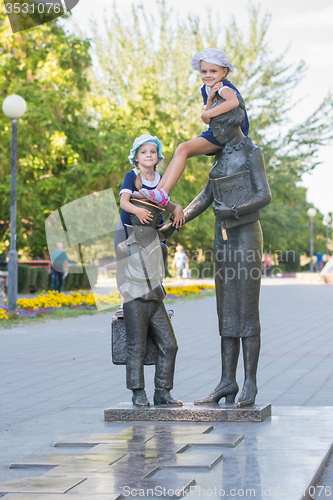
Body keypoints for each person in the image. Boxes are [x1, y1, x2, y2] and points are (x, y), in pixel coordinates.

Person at [161, 95, 271, 407]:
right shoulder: (220, 158)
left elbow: (265, 194)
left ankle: (250, 382)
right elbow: (206, 196)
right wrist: (173, 224)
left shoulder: (252, 152)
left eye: (216, 127)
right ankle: (227, 381)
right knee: (226, 310)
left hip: (247, 236)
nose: (213, 134)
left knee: (246, 310)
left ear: (231, 123)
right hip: (223, 239)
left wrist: (235, 210)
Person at [140, 48, 249, 206]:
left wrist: (208, 113)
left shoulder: (223, 87)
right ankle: (157, 190)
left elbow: (233, 102)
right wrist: (210, 100)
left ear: (224, 72)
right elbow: (207, 118)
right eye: (204, 71)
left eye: (213, 71)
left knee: (183, 149)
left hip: (227, 134)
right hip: (215, 130)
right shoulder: (207, 89)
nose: (208, 75)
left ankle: (163, 193)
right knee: (181, 149)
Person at [116, 199, 183, 407]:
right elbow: (120, 280)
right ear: (135, 221)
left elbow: (160, 273)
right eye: (146, 219)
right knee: (136, 348)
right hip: (134, 300)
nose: (150, 224)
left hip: (156, 301)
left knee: (170, 345)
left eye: (153, 220)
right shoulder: (123, 249)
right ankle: (137, 392)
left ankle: (162, 392)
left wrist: (177, 212)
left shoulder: (161, 248)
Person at [114, 134, 185, 317]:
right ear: (136, 158)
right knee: (127, 263)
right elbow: (124, 202)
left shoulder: (160, 179)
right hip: (130, 227)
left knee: (156, 264)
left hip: (152, 230)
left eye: (152, 152)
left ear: (157, 157)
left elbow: (162, 203)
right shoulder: (132, 176)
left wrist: (176, 208)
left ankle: (158, 306)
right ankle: (125, 304)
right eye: (143, 152)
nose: (148, 155)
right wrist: (137, 211)